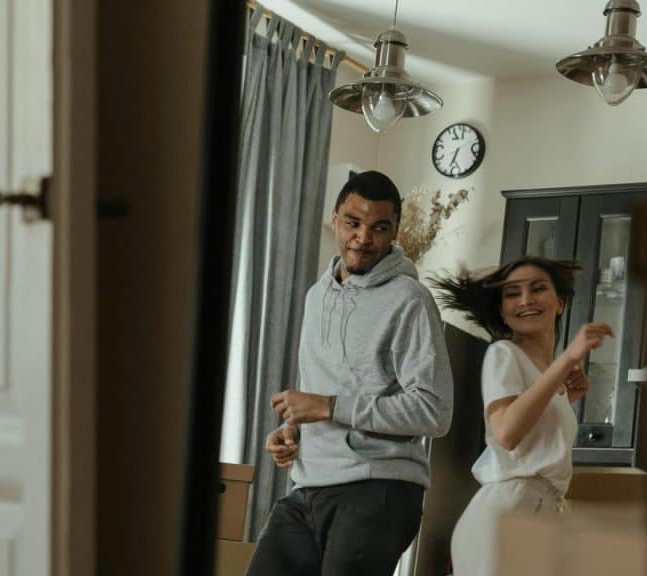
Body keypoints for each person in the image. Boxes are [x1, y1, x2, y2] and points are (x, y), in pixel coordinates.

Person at [246, 170, 454, 576]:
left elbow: (435, 412)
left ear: (395, 230)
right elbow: (320, 391)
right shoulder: (316, 295)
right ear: (335, 218)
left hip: (379, 489)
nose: (363, 238)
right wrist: (294, 432)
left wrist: (329, 407)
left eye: (379, 228)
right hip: (308, 487)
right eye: (353, 223)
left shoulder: (410, 300)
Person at [431, 256, 613, 576]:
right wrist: (568, 358)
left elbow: (534, 435)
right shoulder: (503, 354)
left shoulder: (542, 374)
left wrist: (567, 395)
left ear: (560, 302)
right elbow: (506, 433)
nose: (526, 300)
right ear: (502, 310)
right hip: (506, 515)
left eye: (538, 289)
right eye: (513, 293)